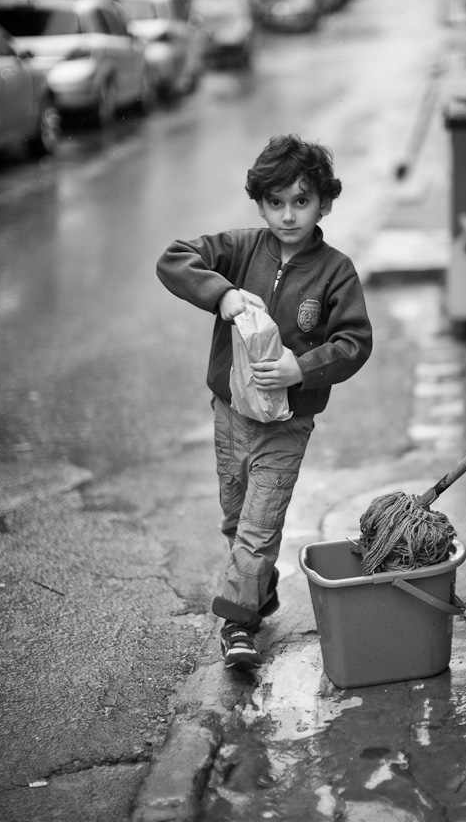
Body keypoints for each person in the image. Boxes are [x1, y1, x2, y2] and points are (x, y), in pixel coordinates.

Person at [156, 134, 372, 672]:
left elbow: (354, 343)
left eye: (301, 201)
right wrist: (222, 294)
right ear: (260, 204)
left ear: (323, 202)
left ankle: (237, 625)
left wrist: (303, 367)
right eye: (275, 203)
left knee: (258, 527)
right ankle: (259, 586)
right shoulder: (242, 248)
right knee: (235, 517)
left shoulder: (335, 271)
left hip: (287, 425)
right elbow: (173, 259)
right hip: (231, 416)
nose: (288, 215)